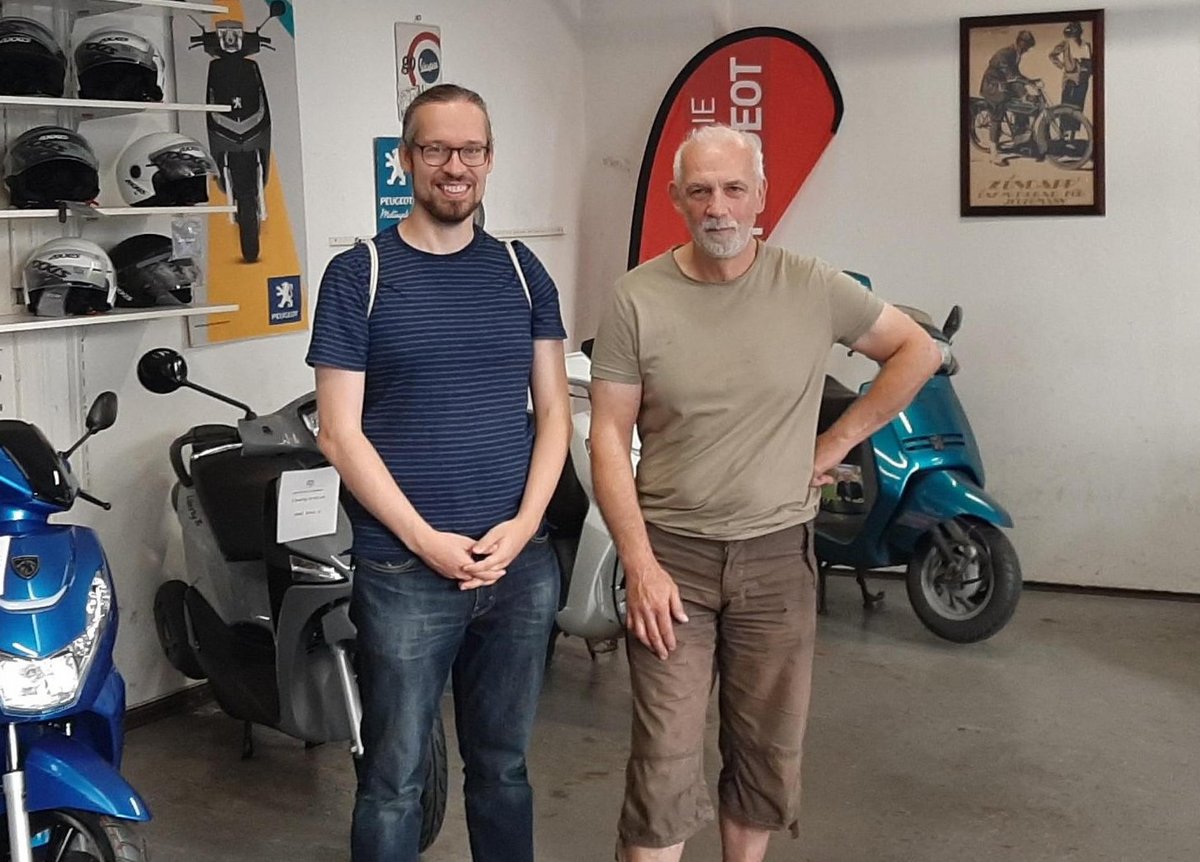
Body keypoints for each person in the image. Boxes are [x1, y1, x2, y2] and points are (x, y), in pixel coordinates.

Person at [588, 124, 940, 862]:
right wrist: (640, 565)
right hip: (672, 562)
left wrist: (837, 442)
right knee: (662, 764)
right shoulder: (636, 298)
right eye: (701, 191)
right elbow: (608, 437)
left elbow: (918, 350)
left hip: (777, 560)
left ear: (761, 196)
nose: (718, 207)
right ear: (676, 198)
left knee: (765, 754)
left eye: (733, 189)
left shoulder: (812, 285)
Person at [305, 83, 571, 862]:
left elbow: (554, 414)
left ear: (489, 158)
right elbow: (338, 434)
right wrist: (425, 541)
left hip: (517, 569)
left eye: (471, 150)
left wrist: (523, 528)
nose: (455, 166)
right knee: (394, 780)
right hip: (403, 572)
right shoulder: (358, 274)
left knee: (504, 769)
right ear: (406, 158)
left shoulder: (522, 271)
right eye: (436, 149)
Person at [980, 29, 1038, 165]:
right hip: (993, 87)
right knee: (997, 117)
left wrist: (1030, 81)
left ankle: (1020, 138)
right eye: (1027, 47)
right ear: (1021, 43)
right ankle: (994, 154)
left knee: (1022, 106)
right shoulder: (1005, 54)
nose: (1027, 50)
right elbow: (1010, 76)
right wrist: (1024, 91)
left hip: (1003, 84)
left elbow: (1016, 74)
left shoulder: (1016, 54)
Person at [1049, 21, 1093, 136]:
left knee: (1078, 107)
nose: (1075, 34)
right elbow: (1052, 55)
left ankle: (1073, 136)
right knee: (1066, 106)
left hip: (1083, 79)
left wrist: (1089, 71)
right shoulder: (1066, 43)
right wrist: (1062, 65)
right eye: (1073, 32)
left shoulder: (1086, 45)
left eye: (1076, 31)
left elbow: (1091, 61)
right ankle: (1062, 135)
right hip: (1070, 78)